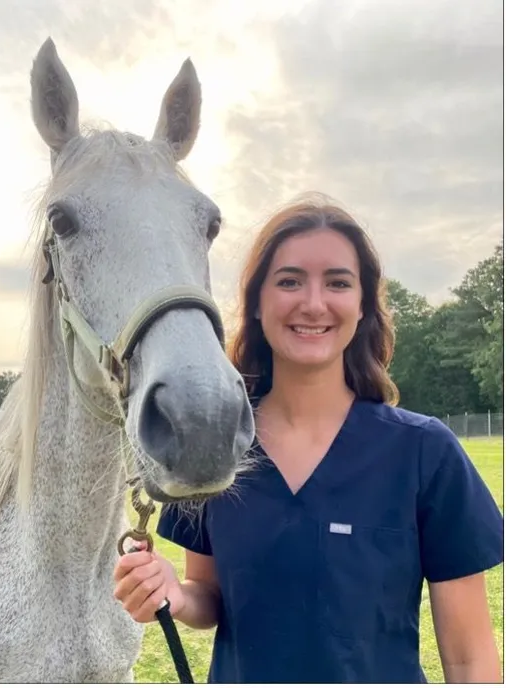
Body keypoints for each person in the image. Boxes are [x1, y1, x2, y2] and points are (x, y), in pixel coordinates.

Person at [114, 195, 503, 683]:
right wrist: (174, 593)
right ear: (257, 301)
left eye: (338, 282)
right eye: (289, 281)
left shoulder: (426, 453)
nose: (313, 303)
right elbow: (208, 595)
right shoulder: (216, 444)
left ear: (363, 306)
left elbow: (470, 659)